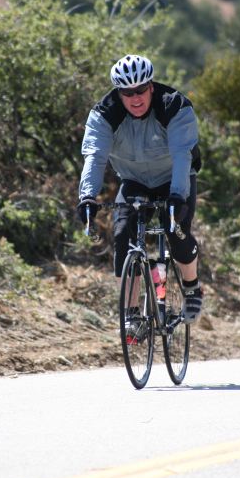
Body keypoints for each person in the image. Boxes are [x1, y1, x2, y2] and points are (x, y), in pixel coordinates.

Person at [76, 54, 203, 323]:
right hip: (134, 180)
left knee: (175, 230)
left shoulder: (174, 106)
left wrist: (178, 196)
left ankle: (192, 288)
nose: (135, 98)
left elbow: (182, 155)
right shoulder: (104, 114)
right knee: (123, 233)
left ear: (151, 87)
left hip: (174, 178)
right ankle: (132, 315)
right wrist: (87, 196)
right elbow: (95, 157)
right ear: (118, 93)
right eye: (127, 92)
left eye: (141, 90)